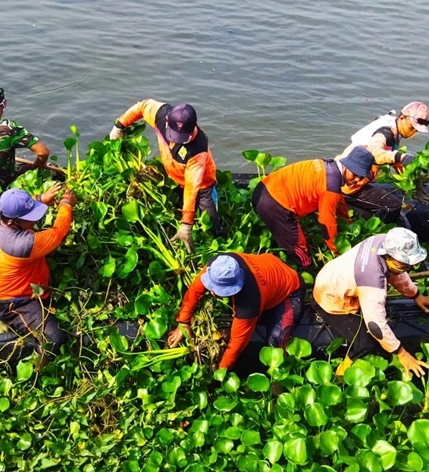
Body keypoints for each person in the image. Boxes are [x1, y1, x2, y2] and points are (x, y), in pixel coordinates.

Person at [311, 227, 429, 377]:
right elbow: (375, 326)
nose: (409, 268)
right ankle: (340, 374)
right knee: (365, 343)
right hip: (330, 298)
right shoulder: (372, 281)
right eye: (405, 265)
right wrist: (401, 353)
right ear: (388, 257)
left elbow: (397, 273)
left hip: (333, 277)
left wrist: (416, 295)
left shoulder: (383, 240)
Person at [108, 99, 221, 252]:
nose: (175, 140)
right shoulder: (161, 115)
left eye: (182, 137)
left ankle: (219, 241)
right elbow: (142, 106)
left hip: (202, 184)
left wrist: (186, 226)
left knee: (211, 223)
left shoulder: (197, 151)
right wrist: (119, 125)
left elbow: (192, 188)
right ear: (167, 121)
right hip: (174, 177)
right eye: (173, 134)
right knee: (175, 208)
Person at [167, 252, 304, 370]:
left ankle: (283, 379)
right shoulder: (218, 265)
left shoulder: (248, 303)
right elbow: (195, 290)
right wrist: (183, 322)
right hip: (268, 266)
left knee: (276, 340)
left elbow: (237, 344)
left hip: (290, 290)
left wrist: (220, 371)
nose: (213, 293)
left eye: (218, 289)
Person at [251, 148, 375, 268]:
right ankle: (303, 274)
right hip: (273, 203)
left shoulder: (329, 166)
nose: (357, 180)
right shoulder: (331, 187)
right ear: (346, 166)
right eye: (355, 173)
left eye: (361, 176)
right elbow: (326, 225)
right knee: (301, 253)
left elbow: (339, 202)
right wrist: (338, 253)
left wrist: (348, 222)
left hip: (265, 188)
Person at [0, 186, 74, 357]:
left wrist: (41, 198)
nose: (35, 220)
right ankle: (39, 367)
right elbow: (59, 233)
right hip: (16, 301)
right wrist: (66, 205)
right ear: (13, 222)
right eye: (29, 218)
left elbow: (16, 206)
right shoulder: (23, 244)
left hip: (32, 285)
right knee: (54, 339)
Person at [335, 101, 429, 224]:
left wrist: (413, 175)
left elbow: (394, 162)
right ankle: (376, 232)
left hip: (354, 178)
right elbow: (373, 152)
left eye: (415, 131)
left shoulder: (394, 134)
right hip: (348, 182)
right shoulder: (384, 134)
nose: (412, 132)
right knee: (393, 206)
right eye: (411, 127)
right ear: (402, 118)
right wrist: (401, 157)